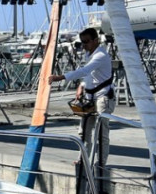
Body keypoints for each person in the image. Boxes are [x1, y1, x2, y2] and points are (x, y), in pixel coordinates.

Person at [48, 27, 115, 168]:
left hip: (103, 97)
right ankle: (82, 159)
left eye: (86, 41)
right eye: (82, 42)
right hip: (89, 97)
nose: (84, 45)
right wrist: (82, 85)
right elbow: (90, 75)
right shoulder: (89, 54)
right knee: (84, 130)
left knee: (101, 132)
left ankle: (101, 163)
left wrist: (61, 77)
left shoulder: (100, 55)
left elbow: (85, 70)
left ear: (96, 40)